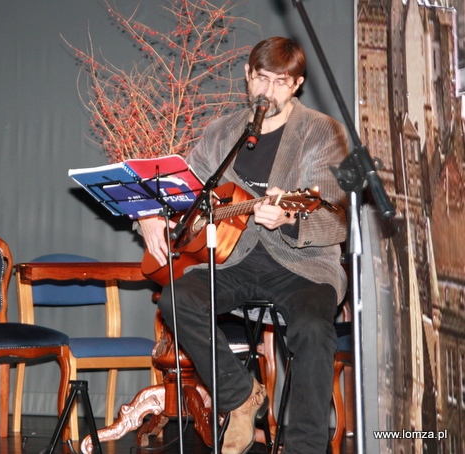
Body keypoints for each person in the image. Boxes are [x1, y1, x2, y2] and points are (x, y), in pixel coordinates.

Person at [138, 37, 349, 454]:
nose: (268, 92)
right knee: (176, 300)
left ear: (297, 85)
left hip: (302, 265)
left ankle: (306, 446)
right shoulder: (223, 132)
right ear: (248, 78)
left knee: (312, 328)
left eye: (280, 82)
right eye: (262, 79)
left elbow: (335, 215)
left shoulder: (322, 131)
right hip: (235, 258)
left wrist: (291, 216)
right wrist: (148, 215)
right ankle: (239, 395)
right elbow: (184, 188)